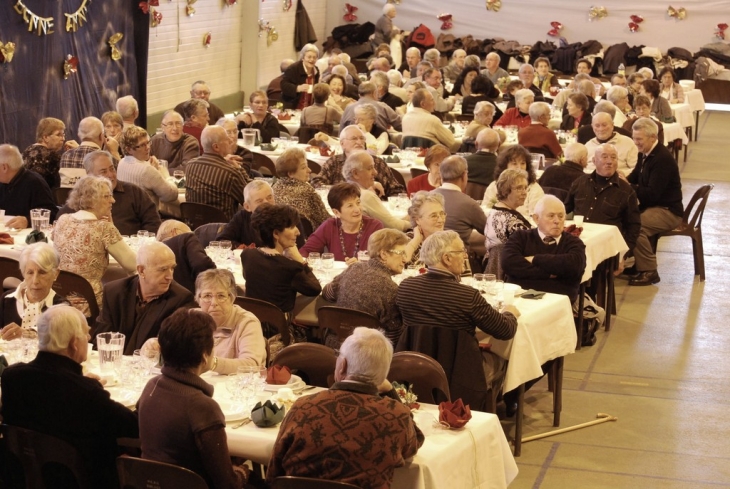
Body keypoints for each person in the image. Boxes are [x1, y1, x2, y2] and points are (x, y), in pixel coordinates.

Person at [1, 305, 139, 489]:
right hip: (83, 482)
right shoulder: (88, 394)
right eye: (86, 334)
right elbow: (134, 426)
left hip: (25, 479)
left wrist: (80, 381)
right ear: (74, 343)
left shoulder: (12, 377)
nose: (89, 338)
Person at [267, 327, 423, 488]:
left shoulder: (302, 407)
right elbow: (415, 441)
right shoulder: (397, 416)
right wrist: (390, 392)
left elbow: (273, 473)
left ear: (342, 365)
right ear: (384, 375)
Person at [137, 309, 249, 489]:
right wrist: (244, 471)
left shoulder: (152, 386)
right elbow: (227, 484)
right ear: (205, 356)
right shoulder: (201, 406)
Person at [396, 230, 518, 340]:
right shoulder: (468, 296)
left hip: (416, 360)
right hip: (458, 363)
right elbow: (505, 331)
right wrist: (509, 312)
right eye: (462, 251)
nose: (466, 255)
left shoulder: (405, 287)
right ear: (447, 258)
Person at [94, 241, 195, 354]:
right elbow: (101, 339)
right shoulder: (114, 292)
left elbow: (171, 347)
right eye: (163, 269)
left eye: (172, 268)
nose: (170, 276)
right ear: (141, 271)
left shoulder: (180, 299)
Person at [53, 175, 137, 307]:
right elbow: (132, 264)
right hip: (90, 302)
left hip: (58, 298)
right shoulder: (103, 228)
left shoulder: (63, 220)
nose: (113, 200)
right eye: (107, 196)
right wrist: (111, 226)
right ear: (91, 200)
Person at [322, 229, 408, 347]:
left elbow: (327, 294)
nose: (405, 259)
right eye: (401, 253)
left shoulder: (353, 268)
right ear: (384, 254)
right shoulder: (391, 289)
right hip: (366, 353)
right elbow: (394, 337)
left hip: (334, 345)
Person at [625, 117, 683, 286]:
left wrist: (630, 187)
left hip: (668, 211)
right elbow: (634, 176)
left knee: (637, 226)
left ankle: (649, 270)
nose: (636, 143)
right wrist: (623, 182)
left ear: (653, 137)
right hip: (654, 206)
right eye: (634, 138)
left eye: (639, 139)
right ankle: (638, 263)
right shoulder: (645, 153)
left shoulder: (662, 159)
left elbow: (651, 195)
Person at [501, 195, 586, 303]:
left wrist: (535, 259)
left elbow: (574, 265)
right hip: (520, 300)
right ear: (536, 219)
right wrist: (550, 274)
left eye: (561, 216)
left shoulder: (574, 243)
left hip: (557, 303)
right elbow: (509, 263)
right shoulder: (521, 237)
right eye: (551, 216)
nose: (557, 221)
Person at [56, 150, 161, 236]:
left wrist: (142, 241)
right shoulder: (83, 197)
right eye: (103, 171)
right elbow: (62, 217)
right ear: (89, 174)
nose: (111, 175)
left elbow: (153, 222)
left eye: (112, 169)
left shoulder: (133, 191)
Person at [241, 204, 321, 313]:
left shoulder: (248, 255)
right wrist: (300, 261)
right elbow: (315, 289)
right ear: (276, 234)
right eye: (292, 227)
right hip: (281, 328)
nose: (298, 232)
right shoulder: (291, 268)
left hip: (252, 324)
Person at [565, 144, 641, 254]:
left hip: (607, 248)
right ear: (594, 160)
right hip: (578, 244)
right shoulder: (580, 183)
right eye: (604, 157)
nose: (609, 161)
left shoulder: (626, 191)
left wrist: (624, 255)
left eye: (613, 157)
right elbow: (565, 209)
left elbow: (633, 226)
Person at [195, 269, 266, 371]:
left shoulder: (247, 322)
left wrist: (213, 363)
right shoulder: (191, 319)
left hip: (237, 385)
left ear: (232, 298)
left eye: (221, 296)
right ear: (198, 299)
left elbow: (251, 364)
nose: (214, 302)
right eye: (207, 296)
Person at [300, 182, 384, 263]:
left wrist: (363, 264)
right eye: (350, 206)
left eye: (358, 203)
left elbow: (383, 259)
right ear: (336, 212)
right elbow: (306, 251)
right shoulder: (330, 225)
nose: (357, 209)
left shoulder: (374, 227)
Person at [311, 125, 405, 197]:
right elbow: (316, 184)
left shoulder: (377, 163)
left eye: (362, 138)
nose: (359, 142)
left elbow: (398, 192)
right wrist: (344, 190)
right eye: (354, 139)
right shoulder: (334, 162)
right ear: (342, 143)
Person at [0, 243, 66, 340]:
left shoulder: (62, 307)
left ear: (55, 274)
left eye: (42, 272)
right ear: (23, 273)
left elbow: (60, 340)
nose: (35, 281)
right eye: (30, 273)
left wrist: (25, 334)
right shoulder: (7, 300)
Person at [185, 125, 250, 221]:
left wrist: (222, 161)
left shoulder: (190, 165)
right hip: (224, 229)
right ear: (216, 147)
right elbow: (250, 198)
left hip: (195, 225)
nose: (231, 141)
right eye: (227, 139)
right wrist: (239, 168)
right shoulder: (230, 173)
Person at [343, 151, 410, 231]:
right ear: (355, 174)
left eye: (374, 167)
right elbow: (394, 226)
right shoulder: (366, 196)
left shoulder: (343, 191)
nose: (375, 172)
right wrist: (414, 222)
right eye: (369, 168)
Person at [432, 156, 486, 247]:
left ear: (440, 175)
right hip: (457, 257)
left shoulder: (425, 198)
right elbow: (489, 231)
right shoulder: (470, 204)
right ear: (464, 175)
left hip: (427, 256)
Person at [117, 125, 178, 207]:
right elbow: (171, 195)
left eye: (148, 142)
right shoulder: (147, 170)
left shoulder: (121, 162)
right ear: (129, 149)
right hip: (148, 218)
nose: (148, 147)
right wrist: (165, 175)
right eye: (142, 145)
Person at [0, 144, 58, 230]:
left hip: (27, 238)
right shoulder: (3, 182)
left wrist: (27, 220)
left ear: (4, 167)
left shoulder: (35, 182)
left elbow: (52, 213)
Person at [272, 147, 331, 230]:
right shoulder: (307, 190)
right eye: (303, 168)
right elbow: (325, 220)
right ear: (291, 174)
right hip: (308, 237)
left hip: (281, 235)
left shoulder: (275, 187)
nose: (309, 170)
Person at [483, 144, 544, 219]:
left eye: (523, 163)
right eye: (514, 163)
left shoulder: (534, 188)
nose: (519, 167)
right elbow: (486, 210)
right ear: (505, 166)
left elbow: (537, 218)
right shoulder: (494, 186)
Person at [484, 169, 532, 264]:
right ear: (505, 190)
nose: (524, 192)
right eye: (519, 188)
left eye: (525, 188)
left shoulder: (495, 211)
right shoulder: (512, 222)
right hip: (513, 270)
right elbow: (531, 248)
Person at [156, 220, 215, 294]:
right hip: (192, 298)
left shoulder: (152, 251)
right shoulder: (186, 238)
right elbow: (202, 264)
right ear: (175, 232)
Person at [216, 180, 275, 248]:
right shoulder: (242, 217)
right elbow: (221, 241)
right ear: (247, 207)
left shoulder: (283, 216)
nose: (266, 202)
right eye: (259, 201)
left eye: (269, 197)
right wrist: (241, 247)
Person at [22, 117, 76, 189]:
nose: (63, 139)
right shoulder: (51, 156)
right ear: (46, 137)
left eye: (63, 134)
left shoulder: (27, 151)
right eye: (58, 135)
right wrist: (77, 151)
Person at [405, 191, 446, 265]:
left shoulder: (450, 240)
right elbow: (401, 262)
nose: (440, 220)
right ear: (417, 220)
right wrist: (416, 241)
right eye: (433, 216)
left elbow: (465, 273)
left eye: (442, 214)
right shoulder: (406, 241)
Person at [281, 43, 320, 109]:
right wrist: (297, 88)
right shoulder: (293, 68)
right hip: (293, 106)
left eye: (314, 57)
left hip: (309, 107)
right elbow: (283, 85)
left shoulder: (316, 71)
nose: (312, 60)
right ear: (303, 57)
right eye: (309, 57)